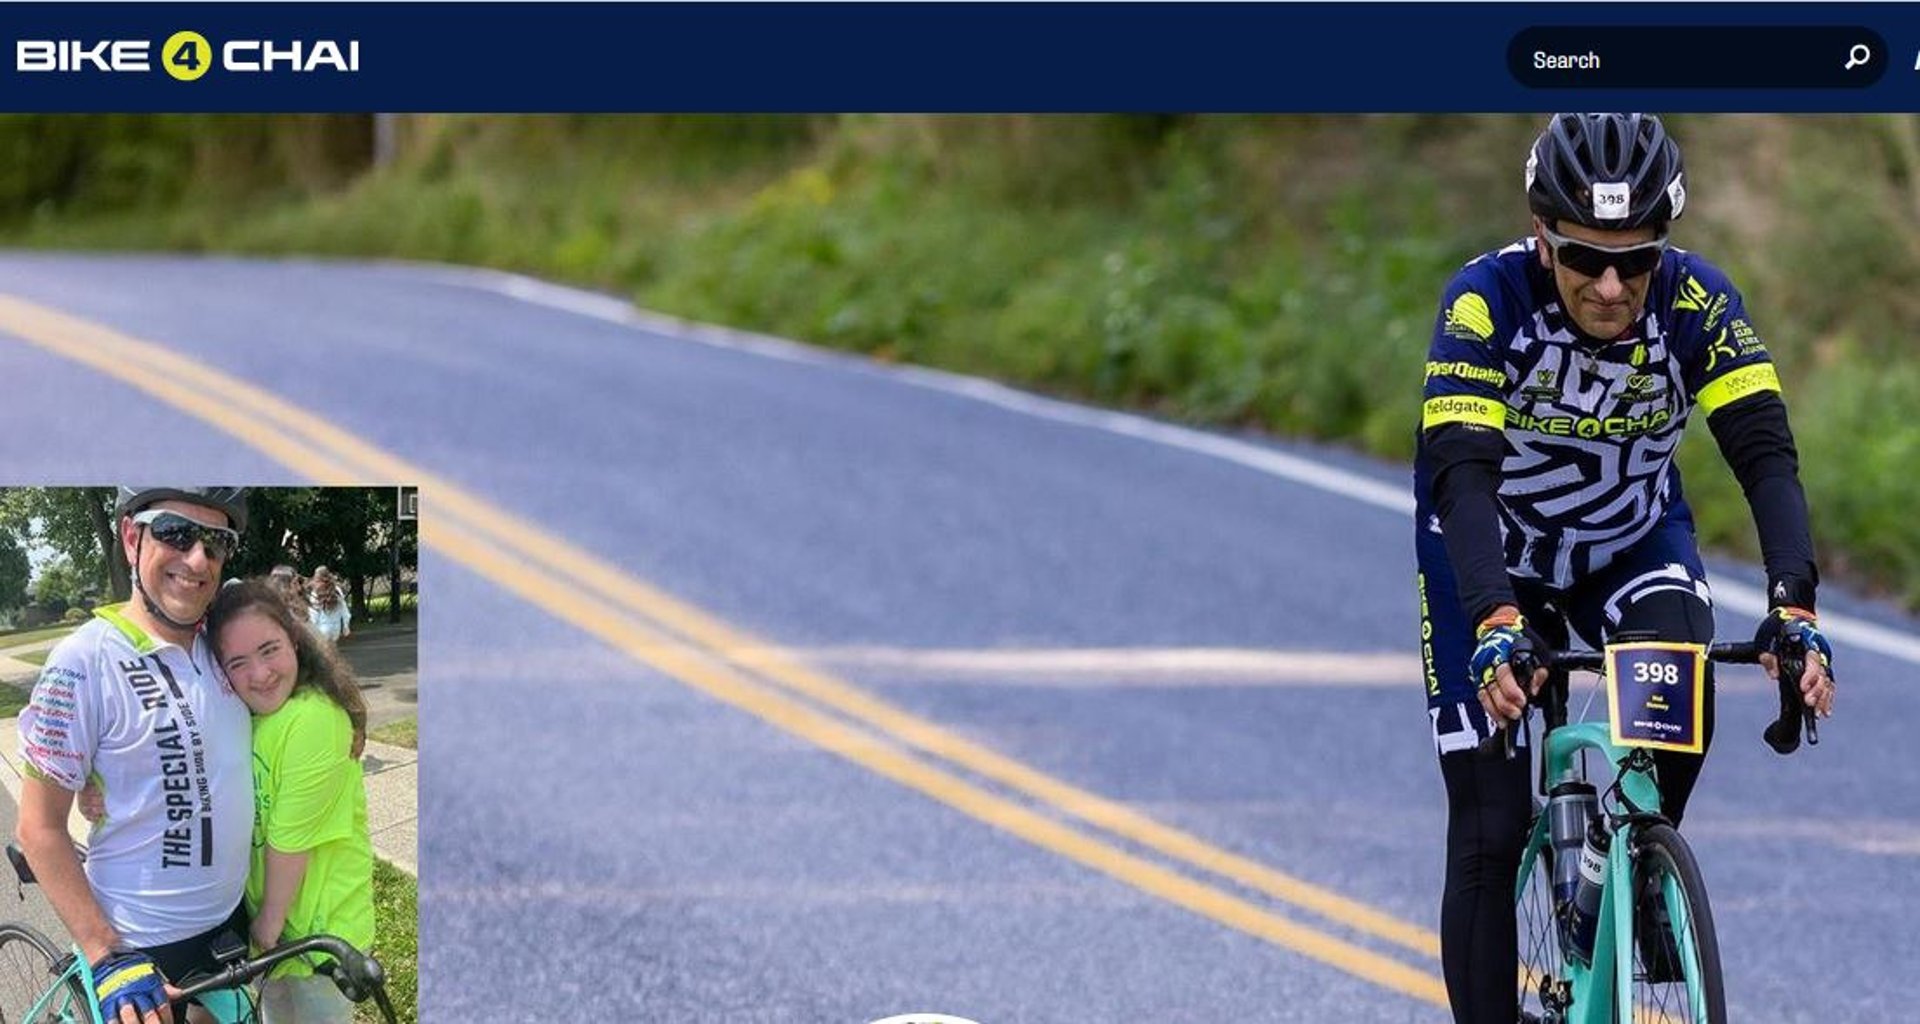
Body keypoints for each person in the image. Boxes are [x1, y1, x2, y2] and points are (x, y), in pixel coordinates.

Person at [1414, 113, 1837, 1022]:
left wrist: (1792, 607)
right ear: (1541, 238)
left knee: (1680, 692)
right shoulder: (1483, 303)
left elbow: (1763, 454)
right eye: (1583, 259)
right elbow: (1461, 472)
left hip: (1627, 543)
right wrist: (1494, 621)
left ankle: (1633, 865)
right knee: (1490, 829)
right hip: (1491, 554)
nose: (1611, 286)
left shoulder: (1699, 306)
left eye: (1636, 261)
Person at [16, 488, 255, 1024]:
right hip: (136, 944)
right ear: (131, 536)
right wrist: (106, 952)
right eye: (176, 531)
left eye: (217, 542)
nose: (198, 558)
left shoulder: (224, 647)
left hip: (228, 926)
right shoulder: (83, 661)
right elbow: (38, 828)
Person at [206, 579, 373, 1024]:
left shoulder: (314, 718)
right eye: (237, 662)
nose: (259, 674)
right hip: (279, 937)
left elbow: (289, 838)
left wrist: (267, 925)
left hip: (317, 935)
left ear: (295, 639)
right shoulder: (252, 717)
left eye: (269, 649)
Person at [304, 567, 350, 645]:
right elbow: (344, 610)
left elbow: (314, 614)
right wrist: (346, 626)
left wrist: (311, 631)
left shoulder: (316, 592)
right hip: (336, 628)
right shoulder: (337, 590)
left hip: (321, 628)